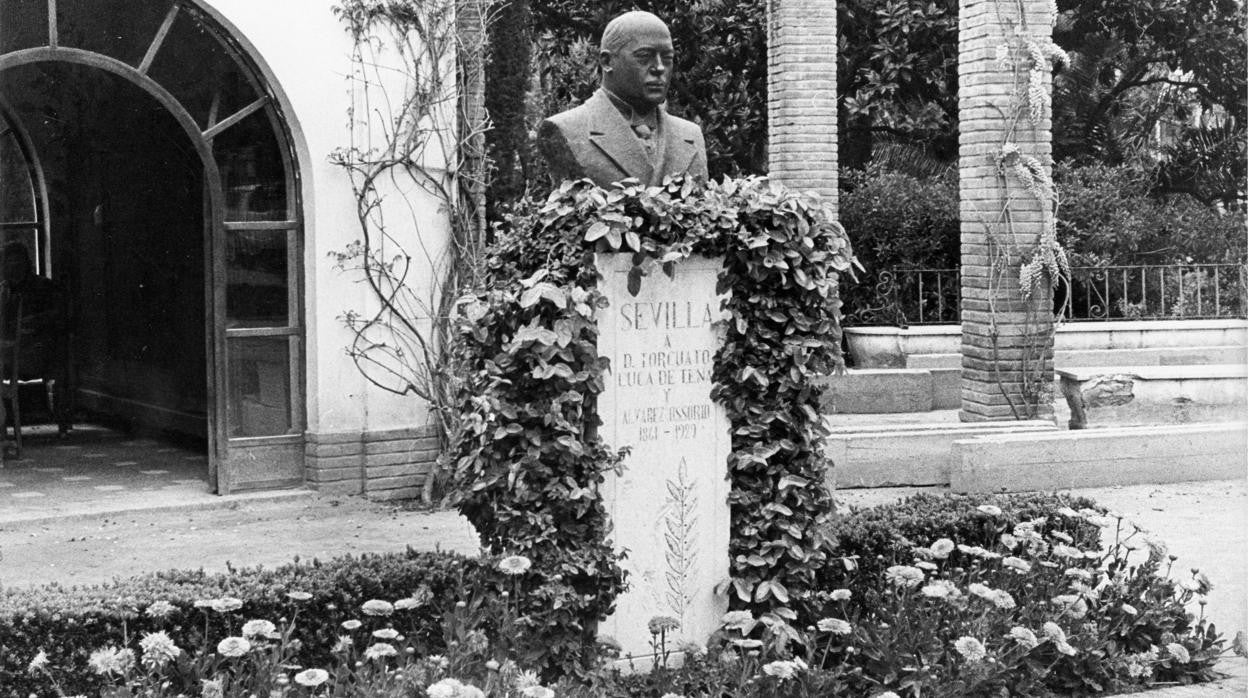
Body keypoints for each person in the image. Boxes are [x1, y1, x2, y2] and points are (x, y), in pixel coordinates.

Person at [537, 10, 708, 188]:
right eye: (644, 57)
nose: (659, 67)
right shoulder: (567, 129)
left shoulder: (691, 135)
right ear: (607, 62)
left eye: (667, 58)